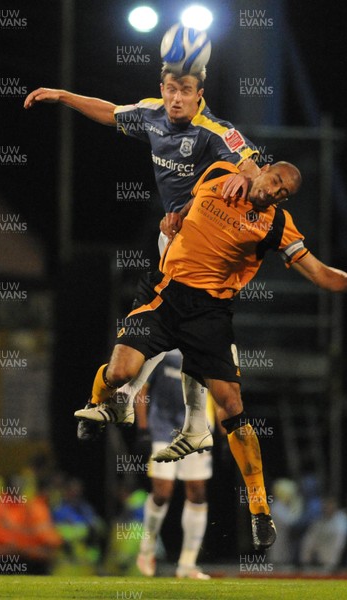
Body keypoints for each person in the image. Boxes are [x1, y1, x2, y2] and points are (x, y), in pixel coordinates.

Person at [74, 159, 347, 550]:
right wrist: (173, 220)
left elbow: (319, 272)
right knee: (120, 372)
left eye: (283, 193)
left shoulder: (274, 224)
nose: (275, 192)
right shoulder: (220, 171)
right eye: (275, 182)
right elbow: (191, 199)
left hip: (210, 314)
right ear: (264, 169)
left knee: (232, 406)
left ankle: (259, 510)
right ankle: (95, 402)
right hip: (164, 294)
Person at [24, 66, 259, 442]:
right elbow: (110, 112)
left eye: (185, 91)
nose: (176, 98)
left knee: (176, 328)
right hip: (175, 241)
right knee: (164, 328)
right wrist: (64, 95)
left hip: (209, 249)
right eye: (170, 89)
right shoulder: (152, 113)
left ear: (200, 95)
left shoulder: (215, 131)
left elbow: (252, 164)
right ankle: (137, 403)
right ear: (161, 89)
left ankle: (140, 403)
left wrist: (245, 176)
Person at [134, 349, 212, 579]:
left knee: (197, 491)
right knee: (163, 490)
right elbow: (142, 388)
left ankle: (187, 564)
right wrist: (142, 429)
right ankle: (147, 549)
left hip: (195, 427)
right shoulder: (162, 348)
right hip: (163, 426)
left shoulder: (207, 346)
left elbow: (218, 390)